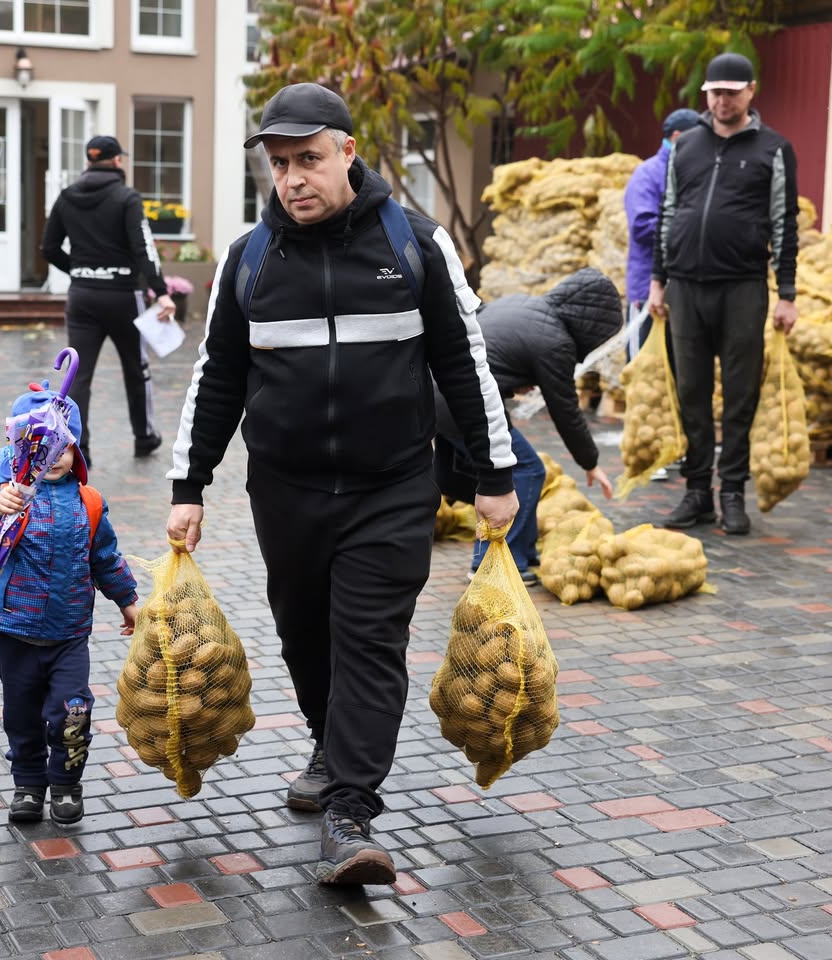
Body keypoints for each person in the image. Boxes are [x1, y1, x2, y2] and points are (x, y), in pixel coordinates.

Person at [164, 83, 518, 886]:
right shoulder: (249, 259)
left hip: (390, 485)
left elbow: (466, 365)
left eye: (309, 160)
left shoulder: (415, 244)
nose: (293, 178)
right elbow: (216, 377)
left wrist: (493, 475)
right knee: (304, 635)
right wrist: (190, 483)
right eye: (280, 163)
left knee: (369, 640)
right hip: (284, 489)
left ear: (347, 153)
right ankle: (330, 745)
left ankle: (351, 811)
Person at [0, 385, 139, 826]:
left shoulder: (88, 502)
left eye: (64, 446)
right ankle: (27, 784)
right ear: (17, 447)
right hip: (14, 631)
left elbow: (104, 557)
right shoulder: (7, 495)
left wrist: (128, 599)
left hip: (68, 634)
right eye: (41, 447)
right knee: (21, 716)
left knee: (72, 712)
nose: (54, 456)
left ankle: (64, 784)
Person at [647, 52, 799, 536]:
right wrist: (658, 279)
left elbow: (784, 223)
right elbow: (668, 213)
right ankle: (697, 493)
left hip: (743, 287)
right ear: (705, 96)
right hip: (686, 287)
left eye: (732, 91)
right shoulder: (686, 145)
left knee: (739, 393)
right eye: (715, 92)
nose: (722, 100)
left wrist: (787, 292)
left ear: (751, 92)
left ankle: (732, 491)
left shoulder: (773, 148)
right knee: (690, 390)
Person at [434, 269, 622, 582]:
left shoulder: (523, 305)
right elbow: (566, 411)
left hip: (436, 391)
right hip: (464, 404)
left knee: (497, 472)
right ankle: (493, 564)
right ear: (592, 327)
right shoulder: (556, 342)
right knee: (526, 470)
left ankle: (523, 549)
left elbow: (492, 350)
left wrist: (511, 380)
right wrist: (590, 462)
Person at [41, 134, 175, 462]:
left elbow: (48, 247)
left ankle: (78, 447)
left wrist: (79, 270)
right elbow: (144, 247)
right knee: (136, 368)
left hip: (82, 297)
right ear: (117, 161)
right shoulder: (127, 197)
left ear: (89, 161)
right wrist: (161, 291)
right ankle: (144, 437)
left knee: (79, 374)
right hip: (123, 297)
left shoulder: (66, 196)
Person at [624, 109, 699, 359]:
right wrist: (690, 229)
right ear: (677, 136)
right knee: (642, 369)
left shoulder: (692, 172)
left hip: (683, 291)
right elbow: (642, 226)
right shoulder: (648, 174)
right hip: (647, 290)